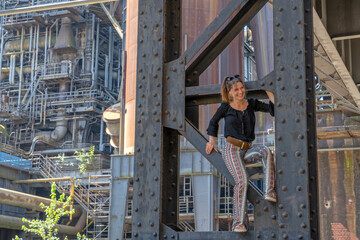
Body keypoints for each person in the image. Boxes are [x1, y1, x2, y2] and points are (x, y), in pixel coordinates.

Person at [206, 75, 276, 233]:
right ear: (230, 92)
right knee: (242, 181)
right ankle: (238, 223)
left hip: (248, 149)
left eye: (242, 88)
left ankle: (269, 191)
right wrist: (212, 142)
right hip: (231, 149)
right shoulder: (226, 106)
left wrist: (268, 89)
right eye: (236, 89)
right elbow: (212, 123)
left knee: (266, 151)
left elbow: (273, 109)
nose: (240, 91)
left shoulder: (251, 104)